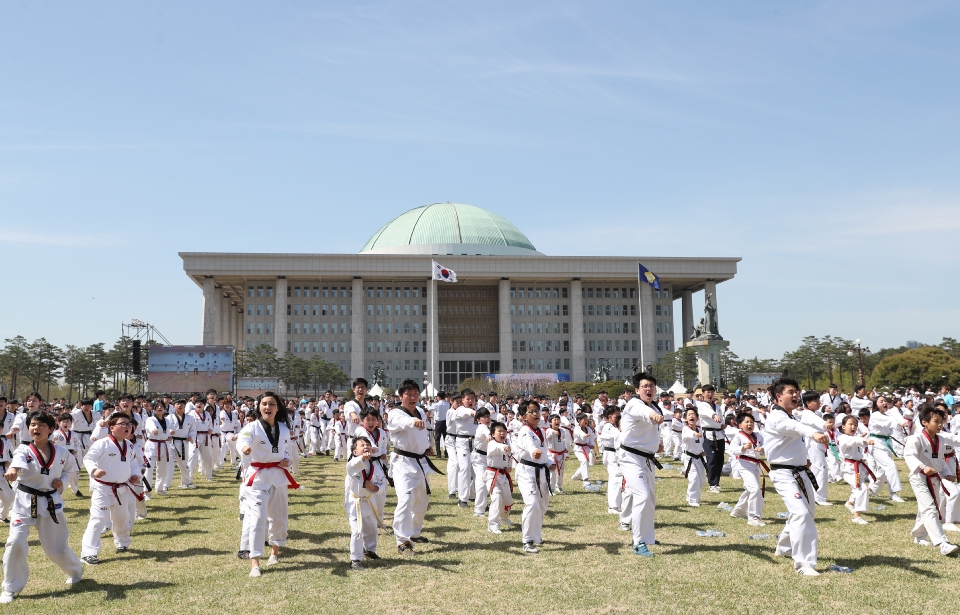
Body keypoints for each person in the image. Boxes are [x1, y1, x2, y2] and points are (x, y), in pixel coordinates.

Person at [0, 411, 83, 603]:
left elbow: (70, 469)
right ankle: (10, 587)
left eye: (41, 425)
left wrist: (61, 481)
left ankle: (76, 570)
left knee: (56, 547)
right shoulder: (24, 450)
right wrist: (12, 470)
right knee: (15, 541)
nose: (36, 428)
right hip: (24, 501)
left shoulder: (62, 452)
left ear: (51, 429)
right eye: (32, 425)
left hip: (50, 501)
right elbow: (17, 464)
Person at [764, 378, 830, 576]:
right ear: (778, 396)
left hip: (799, 471)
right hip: (783, 473)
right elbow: (795, 429)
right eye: (790, 392)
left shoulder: (792, 416)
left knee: (805, 512)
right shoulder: (777, 417)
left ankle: (784, 548)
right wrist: (814, 434)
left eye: (797, 391)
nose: (795, 395)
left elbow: (792, 439)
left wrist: (804, 459)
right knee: (801, 513)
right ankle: (804, 564)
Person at [238, 392, 299, 578]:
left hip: (278, 477)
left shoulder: (284, 428)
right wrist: (244, 448)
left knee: (279, 517)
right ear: (258, 407)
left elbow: (286, 451)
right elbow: (243, 440)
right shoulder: (252, 427)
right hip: (258, 478)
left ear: (277, 407)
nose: (267, 407)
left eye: (271, 404)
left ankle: (274, 552)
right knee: (257, 519)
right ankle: (254, 561)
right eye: (264, 404)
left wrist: (287, 461)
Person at [80, 412, 143, 565]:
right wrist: (94, 470)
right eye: (123, 424)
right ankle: (89, 553)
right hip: (103, 488)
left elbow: (133, 463)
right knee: (98, 519)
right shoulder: (102, 443)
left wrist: (135, 474)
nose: (127, 427)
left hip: (122, 488)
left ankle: (122, 543)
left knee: (122, 518)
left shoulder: (129, 445)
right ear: (112, 427)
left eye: (129, 424)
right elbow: (89, 458)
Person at [387, 379, 438, 555]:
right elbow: (402, 423)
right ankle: (402, 541)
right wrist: (413, 422)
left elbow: (423, 431)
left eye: (415, 393)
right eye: (408, 394)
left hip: (419, 461)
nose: (412, 397)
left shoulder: (421, 412)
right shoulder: (395, 413)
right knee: (405, 500)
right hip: (402, 462)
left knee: (422, 501)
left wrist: (427, 445)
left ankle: (415, 532)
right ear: (401, 396)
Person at [904, 403, 960, 555]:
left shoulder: (940, 440)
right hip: (919, 477)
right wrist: (922, 467)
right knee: (930, 508)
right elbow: (909, 456)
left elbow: (940, 460)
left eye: (941, 421)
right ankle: (943, 543)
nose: (940, 424)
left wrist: (946, 473)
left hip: (934, 478)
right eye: (936, 421)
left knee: (927, 508)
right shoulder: (915, 438)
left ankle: (919, 535)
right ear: (925, 422)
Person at [619, 372, 664, 557]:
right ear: (637, 390)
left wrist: (657, 445)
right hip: (630, 457)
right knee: (642, 496)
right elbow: (645, 414)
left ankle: (647, 537)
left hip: (647, 458)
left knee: (650, 499)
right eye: (645, 386)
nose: (649, 389)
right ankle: (638, 542)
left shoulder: (654, 405)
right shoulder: (635, 404)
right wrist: (653, 415)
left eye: (651, 386)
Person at [515, 400, 554, 554]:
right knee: (532, 504)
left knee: (542, 506)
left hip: (541, 471)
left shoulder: (541, 431)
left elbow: (544, 451)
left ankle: (536, 536)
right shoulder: (525, 431)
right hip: (526, 471)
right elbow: (529, 446)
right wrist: (534, 452)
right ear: (524, 416)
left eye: (537, 411)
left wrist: (549, 461)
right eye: (531, 412)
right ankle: (527, 540)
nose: (536, 414)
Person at [345, 436, 385, 570]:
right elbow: (350, 466)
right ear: (355, 452)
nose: (366, 446)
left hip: (369, 500)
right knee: (357, 530)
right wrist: (362, 458)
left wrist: (375, 488)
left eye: (368, 444)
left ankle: (370, 550)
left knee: (371, 527)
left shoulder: (375, 467)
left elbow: (382, 482)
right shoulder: (353, 465)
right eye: (362, 445)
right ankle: (355, 559)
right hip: (355, 503)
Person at [729, 411, 767, 526]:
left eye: (751, 422)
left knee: (750, 489)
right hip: (744, 464)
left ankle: (738, 510)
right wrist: (743, 447)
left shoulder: (758, 435)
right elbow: (732, 449)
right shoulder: (739, 436)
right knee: (755, 489)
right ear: (740, 425)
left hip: (755, 465)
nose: (750, 424)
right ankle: (754, 517)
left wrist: (762, 449)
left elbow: (767, 445)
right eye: (747, 422)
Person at [868, 396, 908, 503]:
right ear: (876, 404)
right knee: (890, 466)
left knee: (882, 470)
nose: (884, 403)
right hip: (876, 443)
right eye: (881, 401)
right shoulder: (876, 415)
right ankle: (893, 493)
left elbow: (894, 421)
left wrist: (901, 421)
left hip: (885, 443)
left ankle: (871, 489)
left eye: (885, 401)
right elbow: (891, 422)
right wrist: (900, 422)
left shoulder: (886, 414)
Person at [837, 414, 875, 525]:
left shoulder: (854, 437)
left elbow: (856, 442)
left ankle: (849, 503)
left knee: (857, 487)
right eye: (850, 424)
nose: (853, 427)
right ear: (843, 426)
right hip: (849, 470)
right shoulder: (843, 438)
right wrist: (865, 440)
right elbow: (853, 441)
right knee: (862, 489)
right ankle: (856, 516)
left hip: (857, 468)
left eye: (855, 425)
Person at [485, 421, 514, 534]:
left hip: (503, 474)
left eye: (504, 431)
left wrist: (508, 467)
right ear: (493, 434)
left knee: (507, 500)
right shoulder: (492, 444)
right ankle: (493, 524)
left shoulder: (507, 443)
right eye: (499, 431)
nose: (502, 433)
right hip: (492, 475)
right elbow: (498, 448)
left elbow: (510, 457)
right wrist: (504, 447)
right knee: (496, 497)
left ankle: (504, 518)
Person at [696, 384, 725, 493]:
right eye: (708, 392)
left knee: (720, 459)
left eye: (712, 392)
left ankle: (716, 482)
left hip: (719, 434)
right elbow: (709, 413)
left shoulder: (717, 406)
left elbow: (720, 419)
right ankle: (712, 484)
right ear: (703, 394)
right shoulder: (702, 405)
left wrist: (722, 424)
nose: (710, 394)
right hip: (708, 435)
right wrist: (714, 416)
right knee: (711, 459)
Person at [51, 414, 81, 498]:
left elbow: (77, 444)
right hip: (60, 456)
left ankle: (75, 489)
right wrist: (54, 441)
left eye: (68, 421)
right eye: (63, 421)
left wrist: (76, 451)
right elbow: (51, 445)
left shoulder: (74, 434)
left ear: (71, 423)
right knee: (60, 474)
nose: (65, 423)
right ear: (59, 423)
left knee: (75, 473)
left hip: (71, 455)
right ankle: (58, 491)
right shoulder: (55, 434)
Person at [471, 408, 492, 517]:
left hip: (483, 457)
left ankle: (474, 499)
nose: (487, 418)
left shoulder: (488, 427)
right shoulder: (482, 427)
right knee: (482, 482)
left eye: (488, 416)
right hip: (479, 458)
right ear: (478, 420)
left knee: (477, 480)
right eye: (484, 417)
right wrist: (489, 436)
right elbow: (487, 433)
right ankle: (479, 510)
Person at [571, 413, 598, 491]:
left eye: (587, 420)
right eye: (584, 420)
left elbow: (591, 438)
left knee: (586, 463)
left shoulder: (588, 428)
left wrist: (592, 444)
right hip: (578, 448)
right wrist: (584, 435)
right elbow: (581, 434)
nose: (586, 421)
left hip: (586, 447)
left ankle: (576, 476)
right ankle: (585, 480)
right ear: (579, 421)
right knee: (584, 461)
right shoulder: (577, 428)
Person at [545, 414, 569, 496]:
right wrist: (554, 431)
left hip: (561, 454)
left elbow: (563, 441)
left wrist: (565, 449)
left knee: (561, 472)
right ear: (550, 423)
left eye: (558, 420)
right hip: (552, 455)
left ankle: (559, 486)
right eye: (554, 420)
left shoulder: (562, 431)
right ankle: (550, 489)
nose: (557, 421)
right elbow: (550, 433)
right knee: (552, 472)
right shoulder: (548, 430)